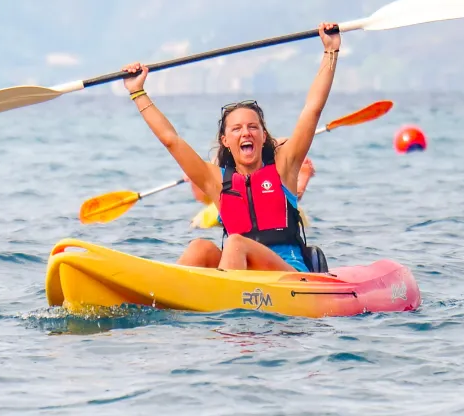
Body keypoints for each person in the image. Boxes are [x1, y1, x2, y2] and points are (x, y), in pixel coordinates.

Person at [123, 23, 340, 272]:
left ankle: (220, 290)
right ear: (225, 140)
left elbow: (312, 110)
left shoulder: (284, 167)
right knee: (199, 247)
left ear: (263, 136)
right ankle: (161, 292)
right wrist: (137, 91)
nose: (246, 132)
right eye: (236, 129)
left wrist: (330, 51)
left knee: (236, 243)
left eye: (253, 127)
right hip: (238, 273)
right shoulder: (216, 180)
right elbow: (171, 139)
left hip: (287, 274)